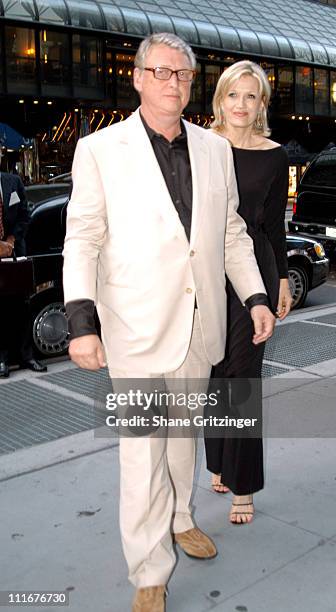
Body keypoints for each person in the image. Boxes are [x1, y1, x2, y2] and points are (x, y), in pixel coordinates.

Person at [63, 34, 275, 612]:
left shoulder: (214, 150)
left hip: (197, 328)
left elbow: (230, 233)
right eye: (160, 72)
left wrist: (255, 295)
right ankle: (149, 570)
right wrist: (82, 321)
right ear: (136, 78)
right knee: (142, 452)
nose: (172, 82)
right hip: (133, 329)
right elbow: (82, 239)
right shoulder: (101, 149)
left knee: (181, 442)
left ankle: (181, 518)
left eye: (182, 74)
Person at [205, 60, 293, 524]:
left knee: (243, 374)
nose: (241, 104)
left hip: (253, 267)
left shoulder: (275, 155)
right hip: (204, 269)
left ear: (261, 104)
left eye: (251, 96)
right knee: (216, 371)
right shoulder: (201, 145)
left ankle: (243, 486)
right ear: (220, 98)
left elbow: (275, 223)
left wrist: (279, 279)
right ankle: (220, 460)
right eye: (233, 94)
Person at [0, 167, 47, 377]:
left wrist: (10, 241)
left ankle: (27, 356)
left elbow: (24, 214)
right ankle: (2, 360)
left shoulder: (12, 181)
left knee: (21, 306)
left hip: (14, 253)